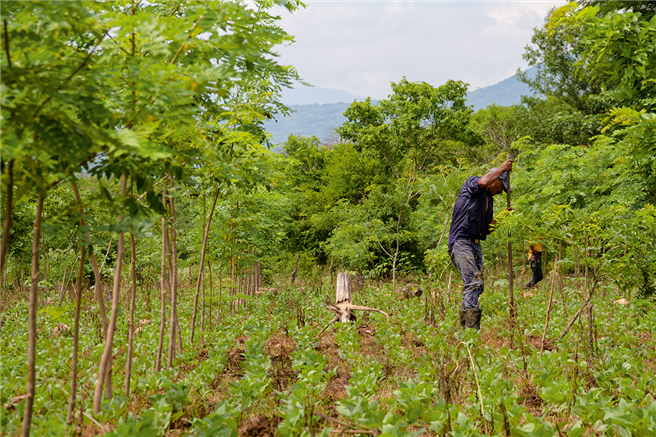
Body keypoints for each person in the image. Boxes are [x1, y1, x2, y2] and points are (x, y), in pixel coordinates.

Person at [448, 160, 513, 330]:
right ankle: (471, 331)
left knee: (477, 285)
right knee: (473, 282)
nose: (500, 192)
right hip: (461, 242)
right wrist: (502, 169)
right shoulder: (473, 184)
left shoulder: (488, 201)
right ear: (495, 179)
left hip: (475, 244)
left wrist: (501, 218)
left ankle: (464, 328)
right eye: (501, 187)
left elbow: (485, 230)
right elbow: (483, 182)